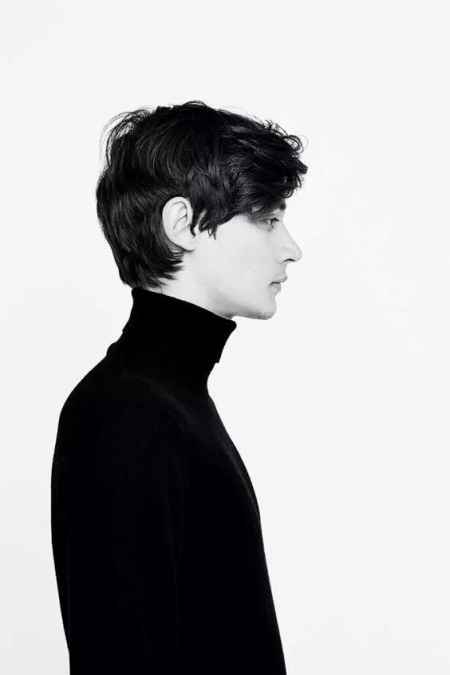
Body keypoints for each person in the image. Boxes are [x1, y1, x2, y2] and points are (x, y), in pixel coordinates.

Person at [50, 100, 308, 674]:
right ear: (184, 225)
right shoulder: (122, 411)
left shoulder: (172, 401)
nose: (291, 247)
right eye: (267, 218)